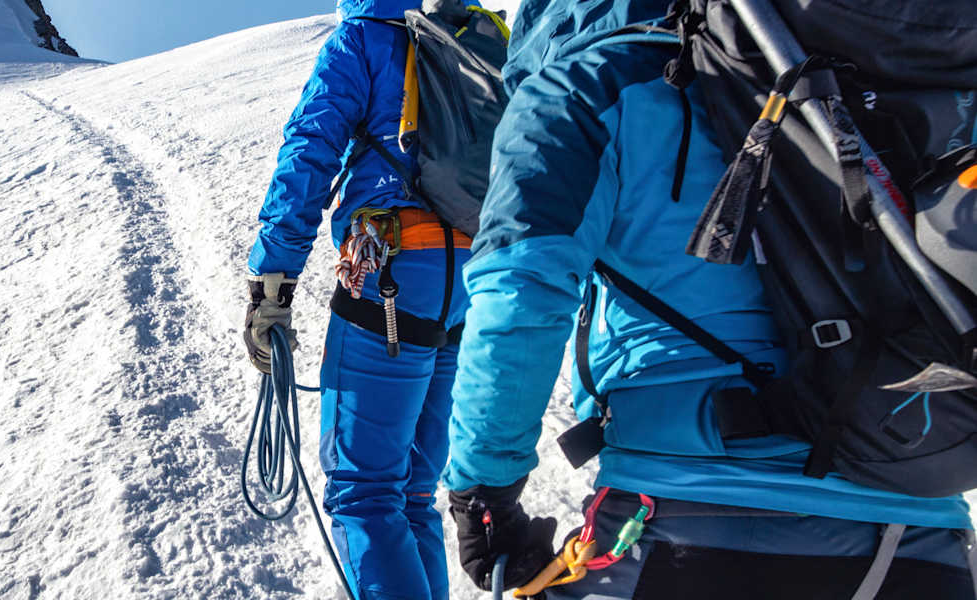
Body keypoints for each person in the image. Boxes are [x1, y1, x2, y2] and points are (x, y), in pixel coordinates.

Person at [439, 0, 977, 598]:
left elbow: (519, 295)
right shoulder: (876, 66)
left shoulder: (588, 82)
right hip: (918, 529)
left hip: (681, 523)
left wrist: (483, 494)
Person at [241, 1, 481, 598]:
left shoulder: (363, 36)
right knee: (412, 495)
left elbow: (310, 150)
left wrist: (273, 283)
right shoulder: (470, 29)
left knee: (365, 494)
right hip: (470, 279)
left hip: (392, 271)